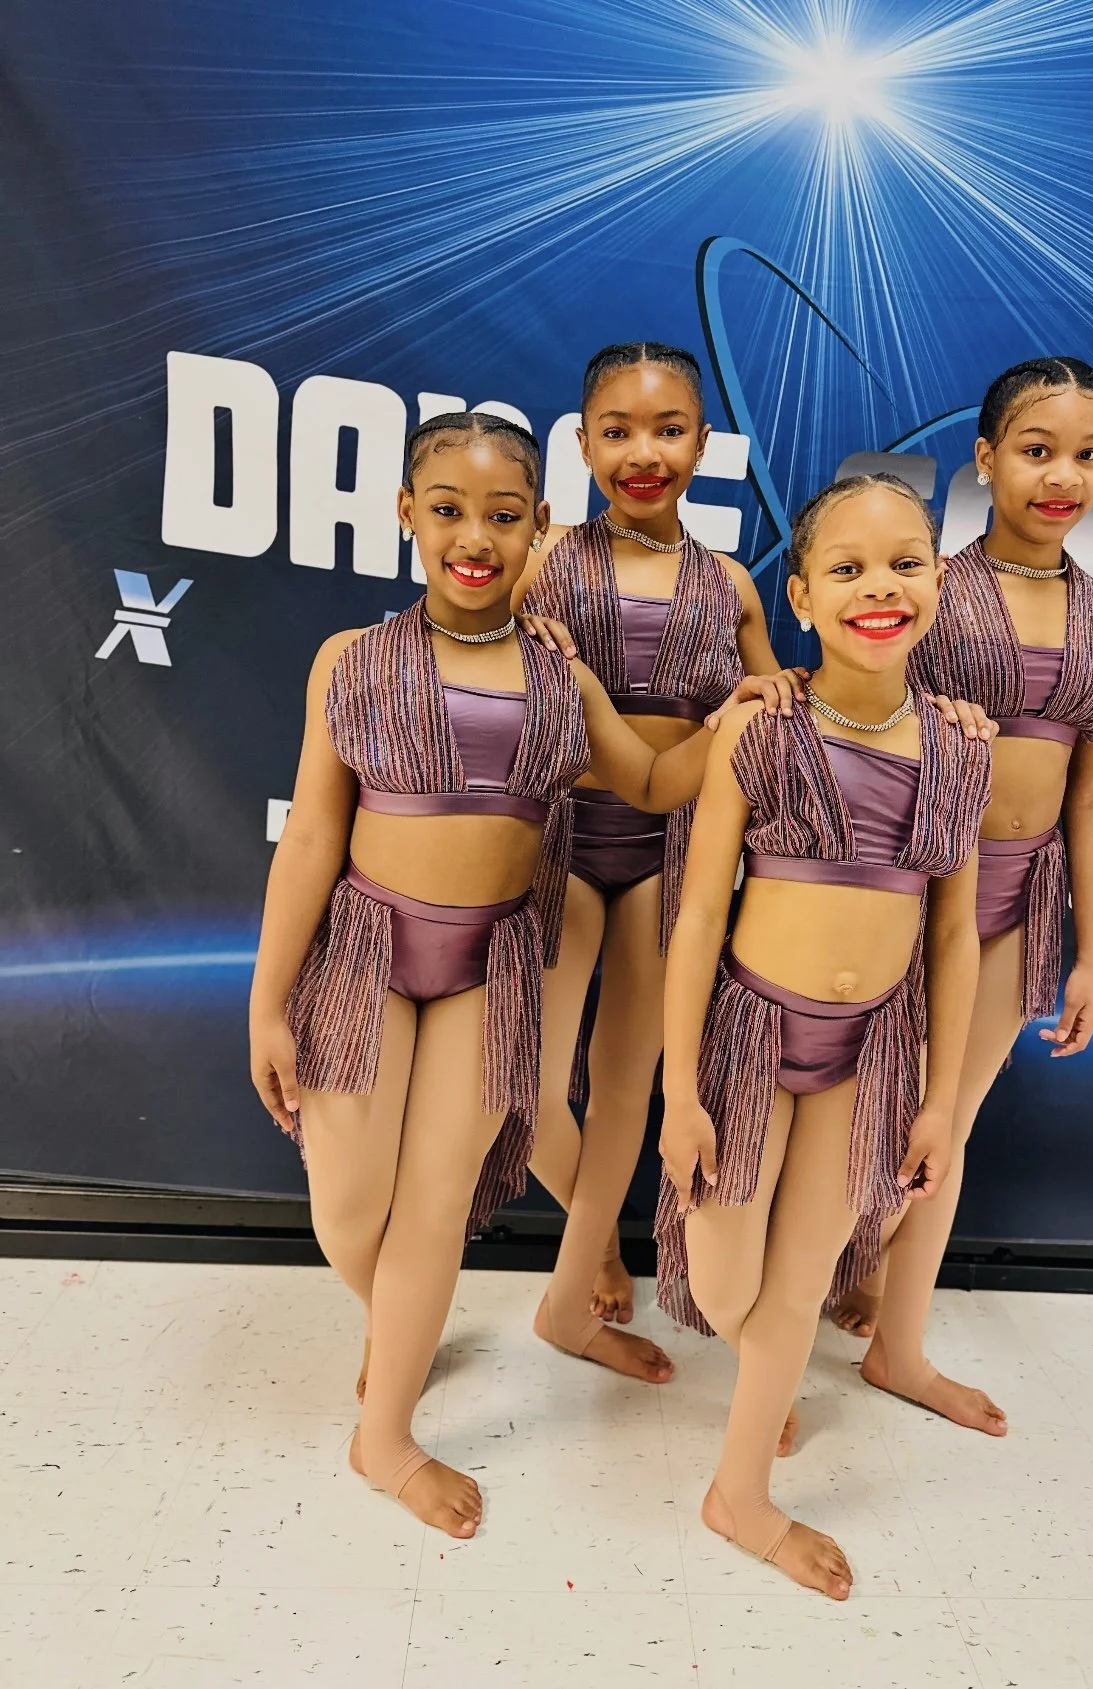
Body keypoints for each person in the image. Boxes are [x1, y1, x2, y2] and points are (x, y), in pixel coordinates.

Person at [247, 411, 795, 1537]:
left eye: (503, 515)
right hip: (365, 955)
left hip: (491, 960)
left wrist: (735, 715)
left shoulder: (560, 673)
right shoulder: (349, 661)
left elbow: (648, 783)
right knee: (353, 1209)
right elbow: (310, 836)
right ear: (406, 514)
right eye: (447, 510)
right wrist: (266, 1000)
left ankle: (386, 1436)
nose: (474, 538)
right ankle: (393, 1319)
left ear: (538, 525)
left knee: (438, 1208)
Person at [655, 474, 991, 1598]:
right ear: (800, 596)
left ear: (939, 581)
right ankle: (765, 1371)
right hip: (751, 1039)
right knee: (726, 1286)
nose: (878, 587)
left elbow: (954, 937)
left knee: (798, 1288)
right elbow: (699, 914)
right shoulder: (761, 730)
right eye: (846, 569)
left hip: (873, 1048)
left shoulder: (957, 748)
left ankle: (738, 1494)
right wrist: (682, 1094)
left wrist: (941, 1098)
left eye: (905, 563)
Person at [835, 358, 1093, 1436]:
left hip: (1017, 907)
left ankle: (897, 1348)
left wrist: (1091, 954)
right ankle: (783, 1322)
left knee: (939, 1126)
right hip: (901, 896)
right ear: (985, 457)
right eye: (1037, 449)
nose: (1064, 476)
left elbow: (1091, 799)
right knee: (845, 1123)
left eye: (1088, 454)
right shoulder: (929, 591)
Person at [514, 342, 799, 1377]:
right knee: (529, 1091)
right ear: (581, 442)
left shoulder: (728, 585)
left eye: (668, 430)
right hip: (555, 846)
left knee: (624, 1088)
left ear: (705, 444)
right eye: (618, 432)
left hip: (665, 860)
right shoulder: (541, 563)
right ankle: (590, 1240)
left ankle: (571, 1293)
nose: (645, 453)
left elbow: (784, 717)